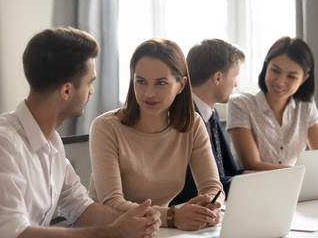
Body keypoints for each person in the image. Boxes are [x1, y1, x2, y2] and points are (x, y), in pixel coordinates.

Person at [0, 26, 161, 238]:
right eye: (90, 82)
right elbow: (14, 234)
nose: (92, 90)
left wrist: (133, 221)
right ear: (66, 90)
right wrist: (111, 233)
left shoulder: (52, 140)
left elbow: (79, 206)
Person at [88, 38, 224, 231]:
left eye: (161, 83)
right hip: (107, 230)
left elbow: (212, 186)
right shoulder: (106, 127)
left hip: (157, 230)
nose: (148, 93)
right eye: (141, 81)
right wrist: (171, 216)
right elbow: (111, 202)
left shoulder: (193, 124)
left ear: (181, 85)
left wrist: (210, 207)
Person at [226, 36, 318, 171]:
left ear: (303, 79)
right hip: (254, 186)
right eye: (275, 70)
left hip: (294, 186)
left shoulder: (306, 106)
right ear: (266, 66)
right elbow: (252, 164)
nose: (280, 82)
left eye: (291, 76)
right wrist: (299, 173)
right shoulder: (240, 104)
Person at [170, 38, 246, 203]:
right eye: (235, 76)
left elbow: (226, 173)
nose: (235, 84)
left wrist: (263, 177)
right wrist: (252, 184)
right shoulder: (181, 117)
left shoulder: (211, 114)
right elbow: (192, 186)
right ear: (218, 78)